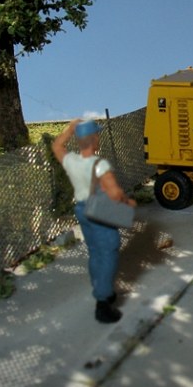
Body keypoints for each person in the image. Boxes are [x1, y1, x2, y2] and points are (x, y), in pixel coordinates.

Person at [52, 119, 136, 323]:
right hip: (99, 212)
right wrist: (128, 201)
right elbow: (114, 193)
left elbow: (56, 146)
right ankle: (103, 301)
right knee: (109, 251)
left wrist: (70, 129)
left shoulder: (72, 161)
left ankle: (99, 286)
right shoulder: (100, 165)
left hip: (82, 210)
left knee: (95, 251)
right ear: (94, 139)